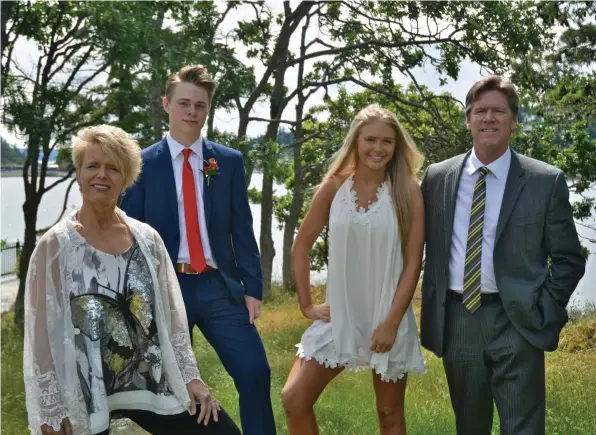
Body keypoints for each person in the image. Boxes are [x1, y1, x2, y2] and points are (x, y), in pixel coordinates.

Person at [23, 125, 241, 435]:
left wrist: (190, 377)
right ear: (79, 174)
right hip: (86, 390)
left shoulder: (147, 239)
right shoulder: (56, 246)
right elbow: (40, 333)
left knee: (223, 432)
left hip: (151, 380)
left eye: (113, 168)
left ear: (126, 179)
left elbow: (172, 315)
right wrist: (51, 411)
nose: (102, 175)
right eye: (93, 166)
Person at [420, 75, 587, 435]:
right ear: (468, 120)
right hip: (458, 321)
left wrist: (545, 307)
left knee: (523, 428)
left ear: (513, 121)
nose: (488, 118)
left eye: (498, 111)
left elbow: (569, 258)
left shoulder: (545, 180)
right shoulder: (437, 178)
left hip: (519, 322)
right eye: (480, 111)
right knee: (470, 427)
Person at [120, 65, 275, 435]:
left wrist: (253, 288)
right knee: (176, 389)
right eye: (184, 103)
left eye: (200, 105)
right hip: (166, 289)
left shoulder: (228, 161)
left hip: (217, 286)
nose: (192, 111)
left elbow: (242, 228)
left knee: (256, 371)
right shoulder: (141, 164)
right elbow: (129, 236)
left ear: (207, 110)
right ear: (167, 104)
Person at [281, 105, 427, 434]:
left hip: (387, 314)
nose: (378, 148)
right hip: (339, 315)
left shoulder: (408, 190)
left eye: (387, 141)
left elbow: (414, 262)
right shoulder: (334, 187)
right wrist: (306, 305)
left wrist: (391, 322)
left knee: (389, 414)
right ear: (356, 142)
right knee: (294, 398)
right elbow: (300, 245)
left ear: (397, 145)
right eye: (371, 139)